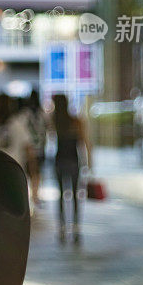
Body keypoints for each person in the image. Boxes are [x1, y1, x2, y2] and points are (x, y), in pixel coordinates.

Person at [51, 93, 90, 244]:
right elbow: (84, 142)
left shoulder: (55, 121)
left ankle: (61, 228)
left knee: (61, 196)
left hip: (59, 160)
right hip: (74, 161)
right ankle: (76, 228)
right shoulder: (76, 121)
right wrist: (89, 162)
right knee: (75, 196)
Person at [20, 89, 47, 206]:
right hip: (40, 147)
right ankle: (35, 196)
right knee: (37, 172)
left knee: (28, 172)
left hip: (28, 147)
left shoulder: (24, 114)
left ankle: (28, 196)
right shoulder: (42, 113)